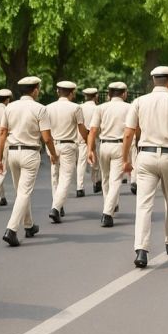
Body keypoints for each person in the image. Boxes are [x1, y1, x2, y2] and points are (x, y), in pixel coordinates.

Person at [122, 66, 168, 268]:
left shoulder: (139, 101)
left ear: (153, 79)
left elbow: (128, 133)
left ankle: (141, 250)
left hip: (145, 156)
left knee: (143, 204)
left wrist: (125, 160)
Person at [0, 76, 58, 247]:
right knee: (24, 192)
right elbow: (47, 137)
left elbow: (2, 133)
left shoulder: (9, 108)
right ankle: (11, 230)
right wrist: (53, 154)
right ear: (35, 89)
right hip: (30, 154)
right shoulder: (40, 109)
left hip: (12, 153)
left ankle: (29, 225)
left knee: (20, 192)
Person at [87, 82, 130, 227]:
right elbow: (133, 131)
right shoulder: (129, 107)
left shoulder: (100, 108)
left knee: (105, 178)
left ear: (109, 94)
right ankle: (107, 213)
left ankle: (109, 206)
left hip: (104, 145)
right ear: (124, 93)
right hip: (120, 145)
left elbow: (92, 131)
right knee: (115, 180)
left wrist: (90, 150)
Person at [46, 81, 88, 223]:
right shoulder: (76, 108)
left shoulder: (48, 108)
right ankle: (56, 207)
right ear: (71, 93)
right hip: (68, 145)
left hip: (53, 144)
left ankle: (57, 204)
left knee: (54, 176)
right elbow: (82, 129)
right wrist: (89, 143)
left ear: (58, 92)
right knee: (65, 178)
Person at [76, 87, 101, 196]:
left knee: (81, 162)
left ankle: (79, 187)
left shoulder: (79, 107)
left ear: (85, 96)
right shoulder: (98, 108)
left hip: (81, 136)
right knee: (95, 161)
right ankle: (95, 182)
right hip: (94, 136)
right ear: (96, 96)